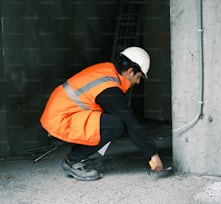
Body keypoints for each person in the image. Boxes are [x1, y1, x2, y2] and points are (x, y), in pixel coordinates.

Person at [40, 46, 163, 181]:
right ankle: (73, 161)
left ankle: (81, 156)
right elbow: (129, 121)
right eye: (139, 77)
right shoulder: (109, 87)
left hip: (61, 113)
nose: (138, 82)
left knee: (111, 121)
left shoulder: (107, 70)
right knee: (115, 125)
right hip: (60, 119)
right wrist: (153, 154)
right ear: (130, 71)